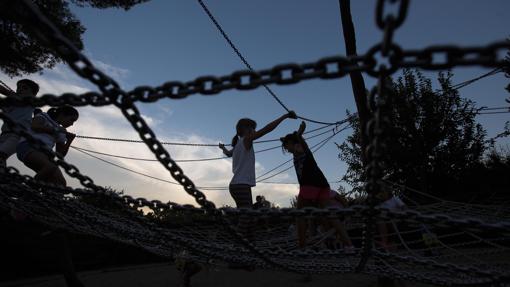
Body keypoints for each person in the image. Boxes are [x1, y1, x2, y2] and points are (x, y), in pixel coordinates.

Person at [219, 111, 296, 208]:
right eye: (253, 128)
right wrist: (285, 116)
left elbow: (228, 154)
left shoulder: (237, 145)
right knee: (247, 217)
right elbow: (267, 129)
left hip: (237, 185)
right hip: (241, 185)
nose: (255, 131)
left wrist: (222, 148)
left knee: (244, 215)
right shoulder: (246, 140)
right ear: (245, 129)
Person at [281, 121, 334, 249]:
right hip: (321, 183)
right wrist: (288, 138)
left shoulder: (299, 149)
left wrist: (299, 133)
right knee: (322, 214)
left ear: (293, 144)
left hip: (309, 185)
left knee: (300, 214)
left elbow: (299, 145)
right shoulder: (297, 151)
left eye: (286, 146)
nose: (286, 149)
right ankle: (334, 242)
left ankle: (302, 245)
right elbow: (293, 144)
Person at [17, 105, 79, 186]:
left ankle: (37, 194)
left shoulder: (62, 131)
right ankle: (29, 188)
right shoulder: (43, 116)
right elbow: (35, 126)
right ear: (63, 115)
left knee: (61, 183)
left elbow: (60, 154)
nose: (72, 124)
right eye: (71, 120)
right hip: (28, 146)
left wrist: (69, 141)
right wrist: (56, 130)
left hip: (45, 154)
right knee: (50, 166)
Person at [0, 79, 38, 168]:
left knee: (1, 155)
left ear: (33, 94)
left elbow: (4, 91)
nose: (19, 90)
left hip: (17, 135)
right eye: (18, 87)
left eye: (24, 88)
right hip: (4, 134)